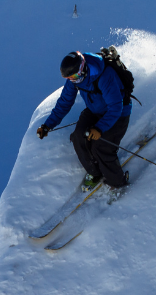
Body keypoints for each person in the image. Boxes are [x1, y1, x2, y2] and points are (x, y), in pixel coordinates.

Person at [36, 51, 132, 193]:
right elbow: (64, 103)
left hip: (118, 114)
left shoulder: (104, 76)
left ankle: (117, 183)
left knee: (101, 146)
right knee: (78, 137)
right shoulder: (74, 80)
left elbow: (116, 107)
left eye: (74, 76)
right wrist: (47, 125)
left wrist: (99, 128)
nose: (72, 80)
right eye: (68, 78)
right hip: (94, 111)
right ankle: (95, 172)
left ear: (82, 68)